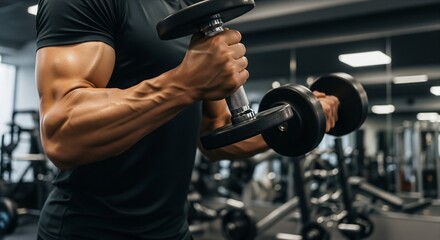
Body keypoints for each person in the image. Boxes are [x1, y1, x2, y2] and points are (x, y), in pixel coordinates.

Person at [35, 0, 339, 239]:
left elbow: (217, 133)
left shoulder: (189, 9)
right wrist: (184, 83)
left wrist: (300, 117)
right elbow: (62, 132)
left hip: (172, 229)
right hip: (88, 230)